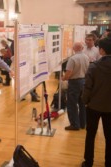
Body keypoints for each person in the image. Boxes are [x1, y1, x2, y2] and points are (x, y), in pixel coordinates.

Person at [81, 37, 111, 167]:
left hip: (93, 106)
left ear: (102, 50)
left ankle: (89, 162)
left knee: (91, 135)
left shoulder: (94, 67)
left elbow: (87, 87)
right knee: (109, 137)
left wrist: (85, 101)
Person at [62, 42, 89, 130]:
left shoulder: (72, 59)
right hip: (84, 81)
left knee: (72, 104)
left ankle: (74, 125)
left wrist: (64, 78)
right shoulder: (86, 57)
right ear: (81, 48)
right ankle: (82, 123)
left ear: (74, 49)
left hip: (74, 83)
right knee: (82, 103)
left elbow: (68, 73)